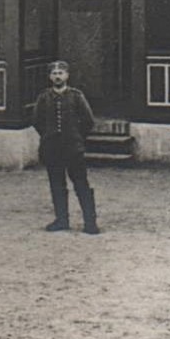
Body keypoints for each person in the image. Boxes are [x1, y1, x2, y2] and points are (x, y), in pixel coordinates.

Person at [32, 59, 99, 234]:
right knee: (57, 184)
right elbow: (37, 121)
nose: (57, 77)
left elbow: (88, 121)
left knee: (81, 184)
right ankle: (61, 220)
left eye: (61, 73)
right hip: (52, 148)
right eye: (54, 74)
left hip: (73, 148)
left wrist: (77, 137)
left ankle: (90, 222)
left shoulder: (76, 96)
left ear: (67, 75)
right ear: (49, 77)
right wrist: (48, 137)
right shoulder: (43, 97)